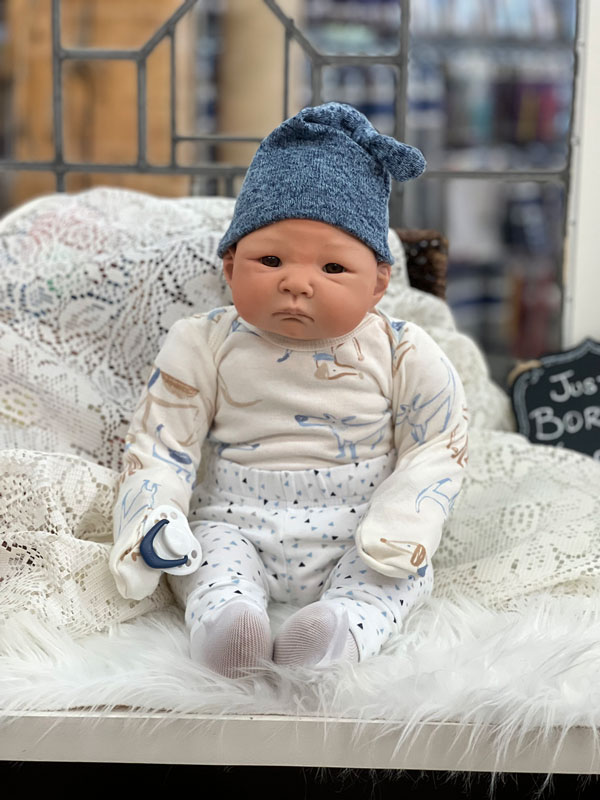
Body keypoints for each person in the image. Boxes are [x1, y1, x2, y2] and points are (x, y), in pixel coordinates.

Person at [109, 102, 469, 678]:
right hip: (236, 521)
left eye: (333, 269)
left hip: (361, 529)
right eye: (270, 259)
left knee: (391, 578)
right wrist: (155, 516)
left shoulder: (403, 350)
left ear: (379, 282)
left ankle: (339, 629)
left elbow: (438, 445)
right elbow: (159, 443)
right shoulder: (203, 342)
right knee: (208, 562)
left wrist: (405, 520)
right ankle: (229, 626)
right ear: (230, 266)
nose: (297, 283)